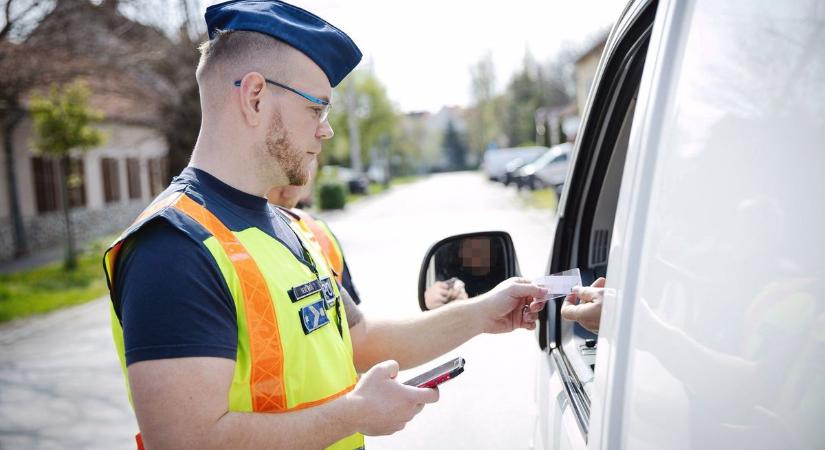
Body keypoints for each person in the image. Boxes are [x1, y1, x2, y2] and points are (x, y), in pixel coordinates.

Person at [101, 1, 549, 449]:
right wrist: (354, 414)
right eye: (317, 109)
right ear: (254, 97)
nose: (327, 130)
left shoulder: (289, 228)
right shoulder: (174, 248)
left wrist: (484, 311)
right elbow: (189, 442)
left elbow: (362, 341)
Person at [268, 160, 362, 304]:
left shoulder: (318, 230)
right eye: (281, 176)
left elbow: (353, 324)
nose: (289, 192)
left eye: (297, 180)